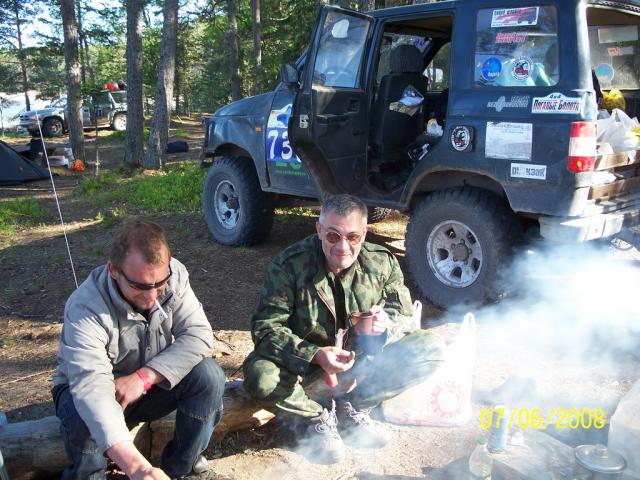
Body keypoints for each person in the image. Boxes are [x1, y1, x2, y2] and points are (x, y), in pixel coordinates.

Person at [243, 194, 444, 464]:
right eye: (333, 236)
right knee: (260, 377)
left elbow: (404, 314)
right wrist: (314, 354)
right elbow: (266, 328)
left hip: (361, 362)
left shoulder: (381, 263)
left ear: (364, 234)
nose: (343, 247)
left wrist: (385, 325)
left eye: (352, 237)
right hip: (305, 367)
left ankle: (353, 408)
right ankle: (315, 418)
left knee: (431, 348)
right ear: (319, 230)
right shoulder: (289, 266)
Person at [52, 221, 225, 480]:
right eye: (140, 286)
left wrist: (144, 377)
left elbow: (198, 335)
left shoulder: (175, 275)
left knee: (208, 376)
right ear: (114, 270)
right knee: (83, 413)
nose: (152, 296)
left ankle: (182, 468)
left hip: (148, 385)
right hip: (94, 392)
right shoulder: (85, 307)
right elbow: (91, 388)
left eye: (159, 283)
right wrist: (138, 468)